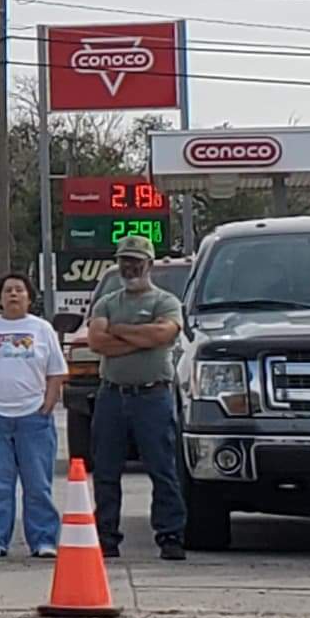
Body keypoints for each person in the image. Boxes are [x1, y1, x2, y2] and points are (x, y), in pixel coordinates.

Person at [82, 236, 187, 557]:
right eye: (124, 260)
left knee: (162, 468)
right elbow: (97, 342)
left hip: (153, 396)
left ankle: (170, 536)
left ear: (149, 264)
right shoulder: (107, 303)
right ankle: (107, 537)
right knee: (106, 471)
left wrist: (120, 330)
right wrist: (142, 337)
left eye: (136, 260)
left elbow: (164, 333)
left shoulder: (166, 301)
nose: (129, 266)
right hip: (112, 396)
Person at [0, 274, 64, 556]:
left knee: (37, 484)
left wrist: (48, 403)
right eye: (8, 291)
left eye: (19, 290)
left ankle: (44, 540)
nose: (13, 295)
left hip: (33, 418)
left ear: (29, 297)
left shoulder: (42, 329)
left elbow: (56, 372)